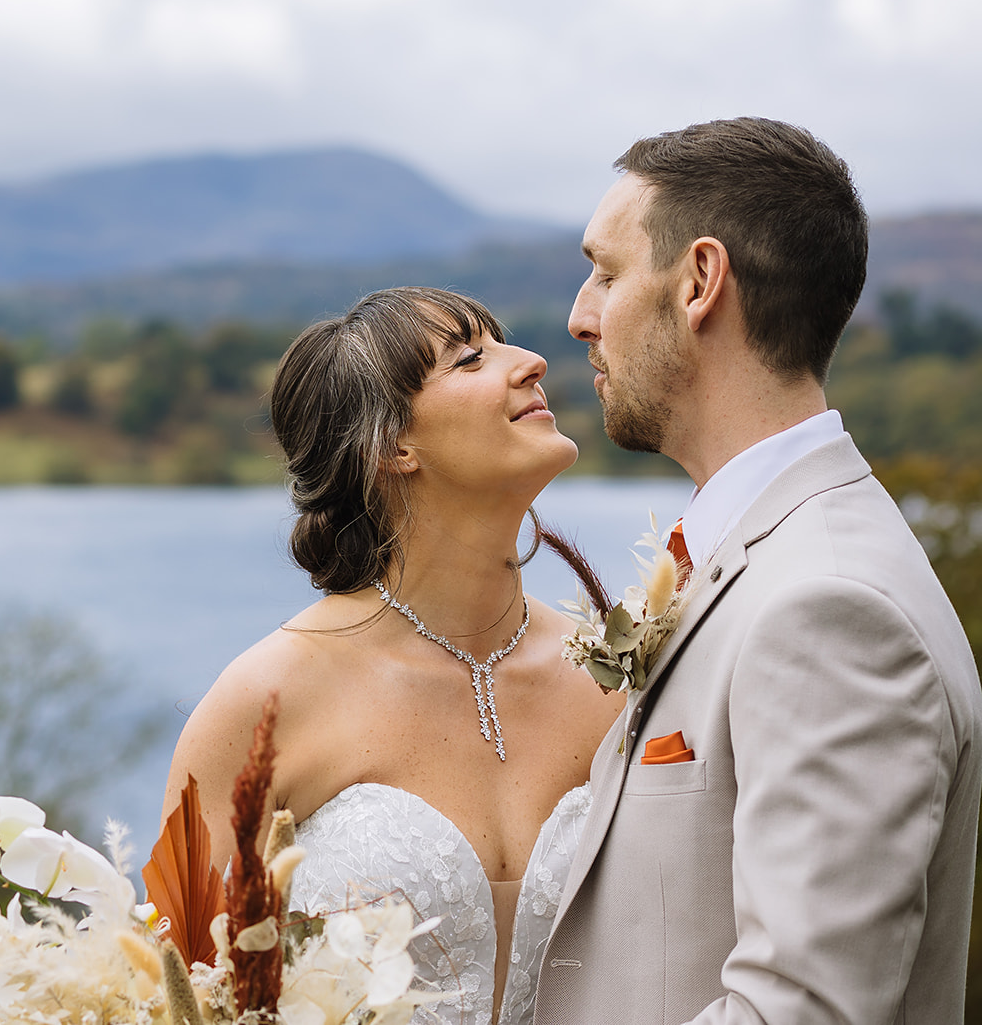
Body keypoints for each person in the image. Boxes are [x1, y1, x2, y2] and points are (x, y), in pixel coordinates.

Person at [534, 117, 982, 1024]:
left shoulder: (831, 605)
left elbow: (799, 1009)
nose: (580, 315)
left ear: (700, 281)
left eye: (607, 272)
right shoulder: (761, 557)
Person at [163, 286, 624, 1025]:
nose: (535, 361)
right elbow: (173, 992)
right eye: (471, 358)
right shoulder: (267, 699)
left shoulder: (611, 676)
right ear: (393, 447)